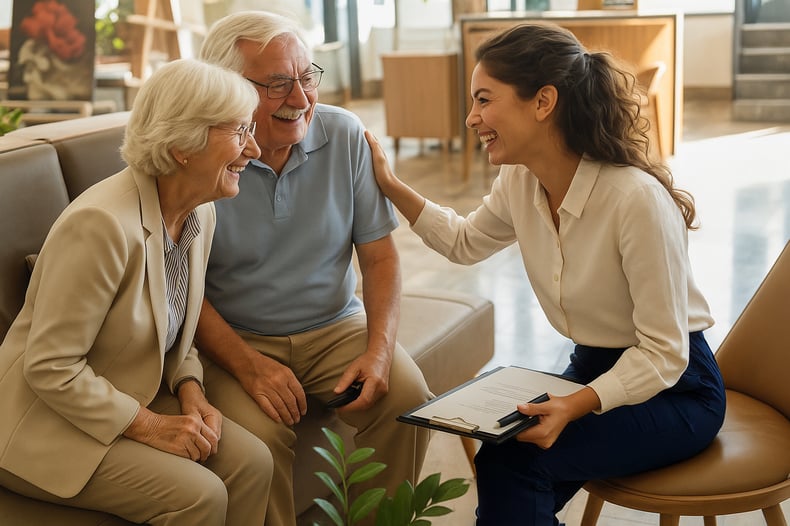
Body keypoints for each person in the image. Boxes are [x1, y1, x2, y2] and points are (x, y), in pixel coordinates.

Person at [365, 23, 726, 526]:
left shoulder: (634, 200)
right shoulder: (520, 180)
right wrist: (390, 184)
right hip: (595, 366)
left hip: (678, 390)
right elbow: (466, 243)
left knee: (520, 467)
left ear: (543, 102)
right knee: (504, 455)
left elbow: (665, 352)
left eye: (484, 99)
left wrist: (575, 404)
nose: (472, 118)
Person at [0, 58, 272, 526]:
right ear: (183, 145)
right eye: (239, 130)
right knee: (199, 496)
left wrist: (191, 390)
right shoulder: (101, 226)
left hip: (126, 391)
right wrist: (150, 426)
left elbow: (174, 325)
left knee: (253, 463)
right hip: (43, 422)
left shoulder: (199, 211)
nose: (254, 148)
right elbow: (50, 367)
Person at [196, 11, 432, 526]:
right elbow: (182, 292)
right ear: (227, 88)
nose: (301, 98)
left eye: (307, 77)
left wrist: (379, 350)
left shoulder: (344, 135)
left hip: (333, 325)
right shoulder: (201, 155)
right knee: (258, 443)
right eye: (279, 83)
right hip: (237, 336)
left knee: (409, 396)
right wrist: (245, 364)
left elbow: (380, 256)